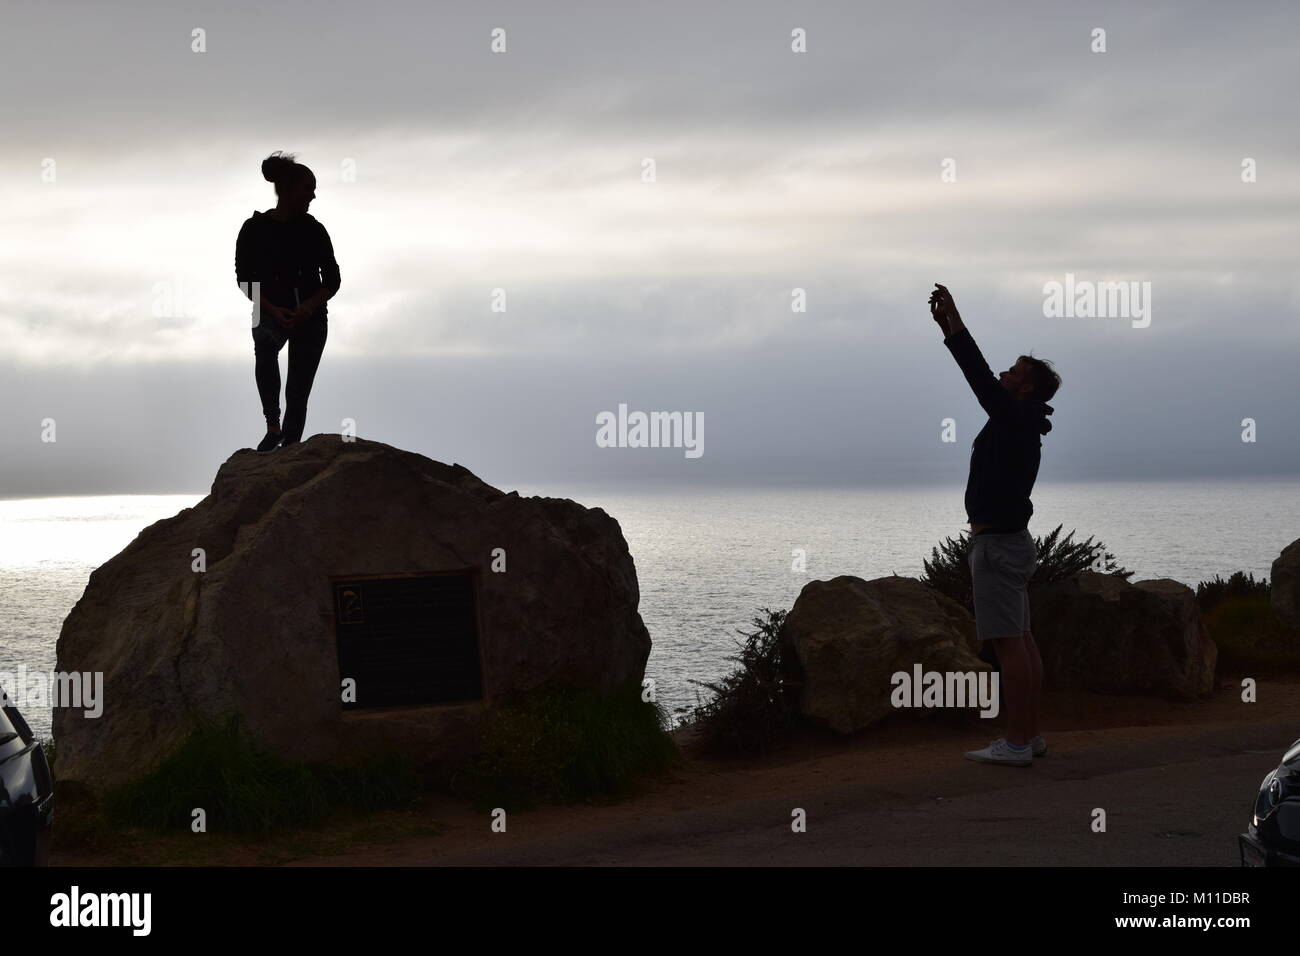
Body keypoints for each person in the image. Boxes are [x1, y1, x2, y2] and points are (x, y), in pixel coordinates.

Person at [928, 283, 1061, 767]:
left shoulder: (1013, 418)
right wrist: (947, 326)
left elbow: (980, 377)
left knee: (1010, 646)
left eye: (1014, 370)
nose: (1005, 373)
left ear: (1023, 387)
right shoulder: (1021, 421)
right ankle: (1031, 736)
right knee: (1022, 641)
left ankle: (1018, 743)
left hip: (999, 546)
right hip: (1012, 544)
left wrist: (955, 323)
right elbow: (987, 380)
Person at [235, 151, 341, 453]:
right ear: (288, 189)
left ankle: (290, 444)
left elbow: (332, 279)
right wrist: (270, 309)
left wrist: (308, 307)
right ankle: (273, 427)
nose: (314, 195)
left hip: (311, 316)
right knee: (265, 347)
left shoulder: (314, 229)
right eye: (308, 188)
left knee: (298, 390)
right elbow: (244, 278)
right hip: (268, 310)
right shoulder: (253, 229)